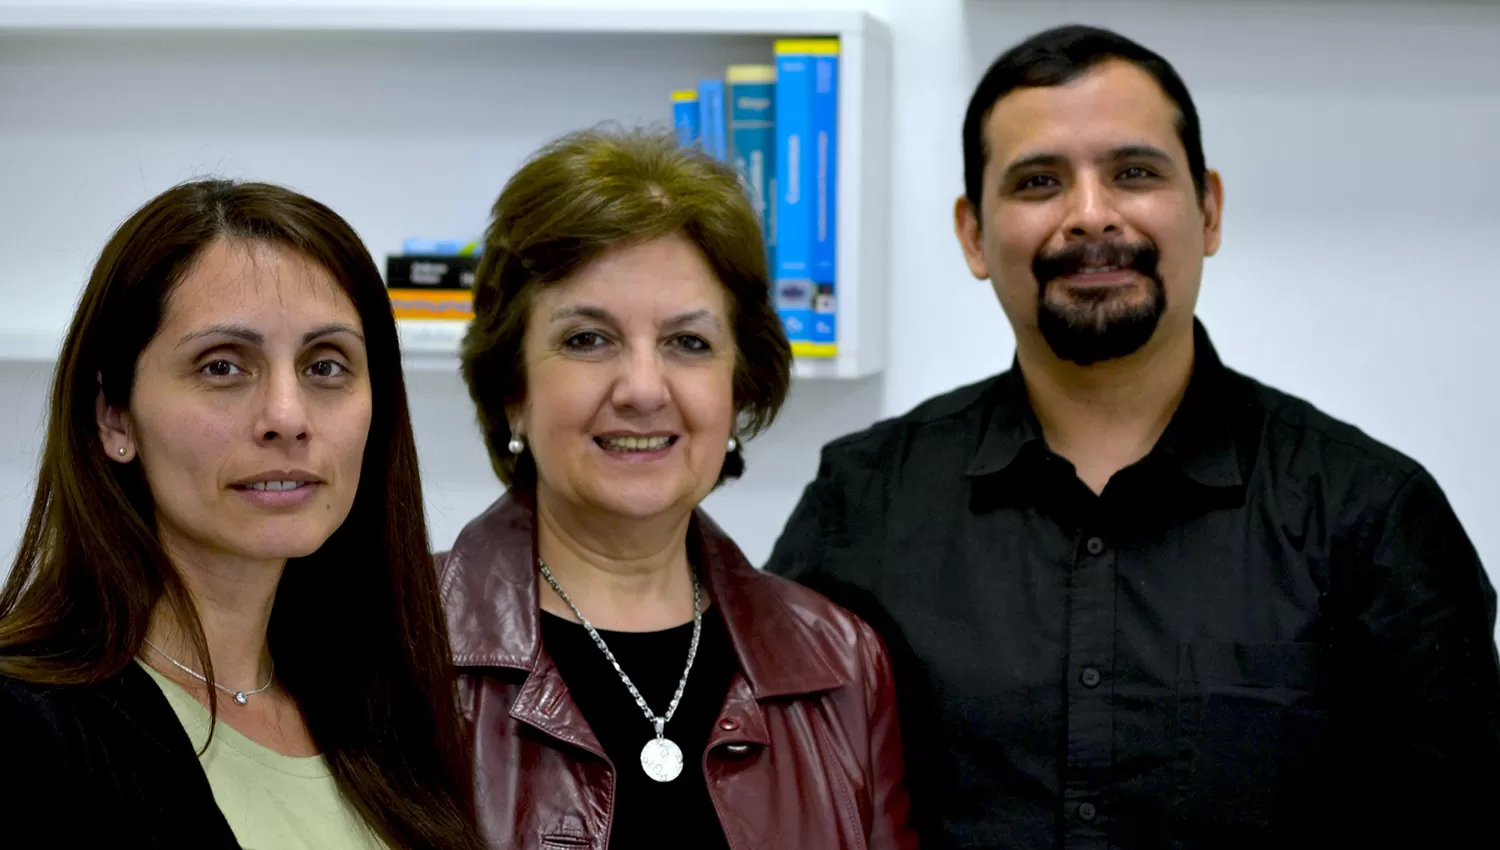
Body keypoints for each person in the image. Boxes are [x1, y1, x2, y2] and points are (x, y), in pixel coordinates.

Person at [766, 23, 1500, 849]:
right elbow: (778, 798)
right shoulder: (862, 503)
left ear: (1209, 209)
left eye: (1134, 173)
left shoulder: (1371, 518)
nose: (1090, 215)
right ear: (973, 234)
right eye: (1039, 181)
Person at [438, 125, 917, 850]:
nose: (641, 389)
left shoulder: (842, 662)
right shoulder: (396, 642)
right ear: (513, 388)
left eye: (688, 343)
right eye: (587, 339)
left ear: (737, 385)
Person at [0, 179, 484, 850]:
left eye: (326, 365)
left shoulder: (388, 711)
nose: (287, 417)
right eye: (223, 366)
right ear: (114, 414)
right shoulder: (27, 731)